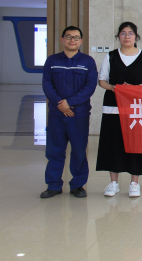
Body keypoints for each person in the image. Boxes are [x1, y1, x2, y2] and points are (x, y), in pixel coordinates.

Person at [96, 22, 142, 198]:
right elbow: (102, 80)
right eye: (123, 33)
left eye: (130, 33)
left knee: (136, 144)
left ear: (136, 36)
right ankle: (113, 183)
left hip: (136, 109)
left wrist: (133, 89)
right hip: (113, 107)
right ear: (118, 37)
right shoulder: (111, 56)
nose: (127, 36)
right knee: (113, 144)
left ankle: (134, 183)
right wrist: (114, 88)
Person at [40, 26, 98, 198]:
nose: (72, 40)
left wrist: (70, 103)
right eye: (69, 37)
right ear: (62, 39)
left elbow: (90, 87)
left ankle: (78, 185)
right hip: (57, 114)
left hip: (78, 115)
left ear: (81, 41)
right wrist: (61, 104)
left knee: (79, 151)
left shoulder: (88, 62)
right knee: (54, 151)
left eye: (76, 37)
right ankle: (53, 185)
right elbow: (47, 84)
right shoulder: (52, 61)